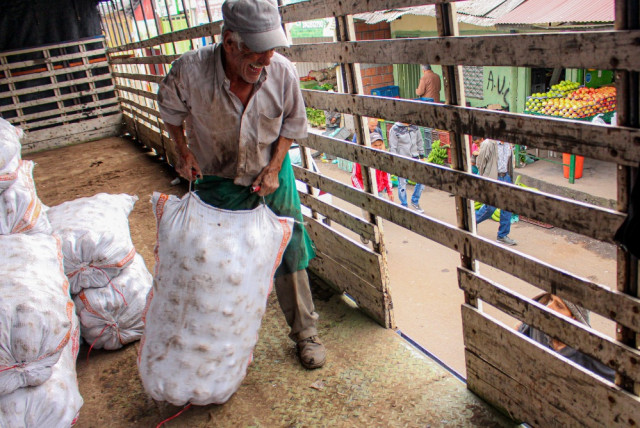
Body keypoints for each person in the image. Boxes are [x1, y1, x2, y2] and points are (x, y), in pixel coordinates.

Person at [157, 0, 325, 370]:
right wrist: (182, 152)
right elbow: (170, 111)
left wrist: (275, 166)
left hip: (270, 173)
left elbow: (293, 125)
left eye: (271, 50)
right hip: (216, 176)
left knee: (289, 249)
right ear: (229, 42)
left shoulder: (281, 72)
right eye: (256, 52)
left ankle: (306, 333)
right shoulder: (189, 71)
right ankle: (220, 344)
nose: (266, 60)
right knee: (217, 260)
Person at [517, 293, 615, 382]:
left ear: (574, 320)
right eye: (551, 300)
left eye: (559, 306)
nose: (549, 307)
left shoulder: (589, 351)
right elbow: (518, 330)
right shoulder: (538, 327)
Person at [475, 138, 517, 245]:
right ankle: (473, 221)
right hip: (493, 178)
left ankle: (502, 235)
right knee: (491, 207)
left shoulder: (508, 143)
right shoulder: (489, 143)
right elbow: (480, 163)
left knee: (507, 207)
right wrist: (485, 180)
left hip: (505, 177)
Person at [388, 122, 425, 213]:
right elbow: (393, 146)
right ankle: (404, 204)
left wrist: (422, 155)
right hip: (402, 159)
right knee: (402, 183)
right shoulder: (395, 129)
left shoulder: (415, 127)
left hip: (414, 157)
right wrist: (395, 160)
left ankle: (415, 201)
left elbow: (420, 141)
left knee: (422, 180)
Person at [351, 131, 394, 203]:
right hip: (367, 192)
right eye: (375, 145)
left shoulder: (382, 158)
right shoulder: (361, 159)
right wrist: (362, 191)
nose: (378, 147)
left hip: (381, 191)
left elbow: (386, 175)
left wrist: (390, 191)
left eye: (380, 145)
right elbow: (355, 177)